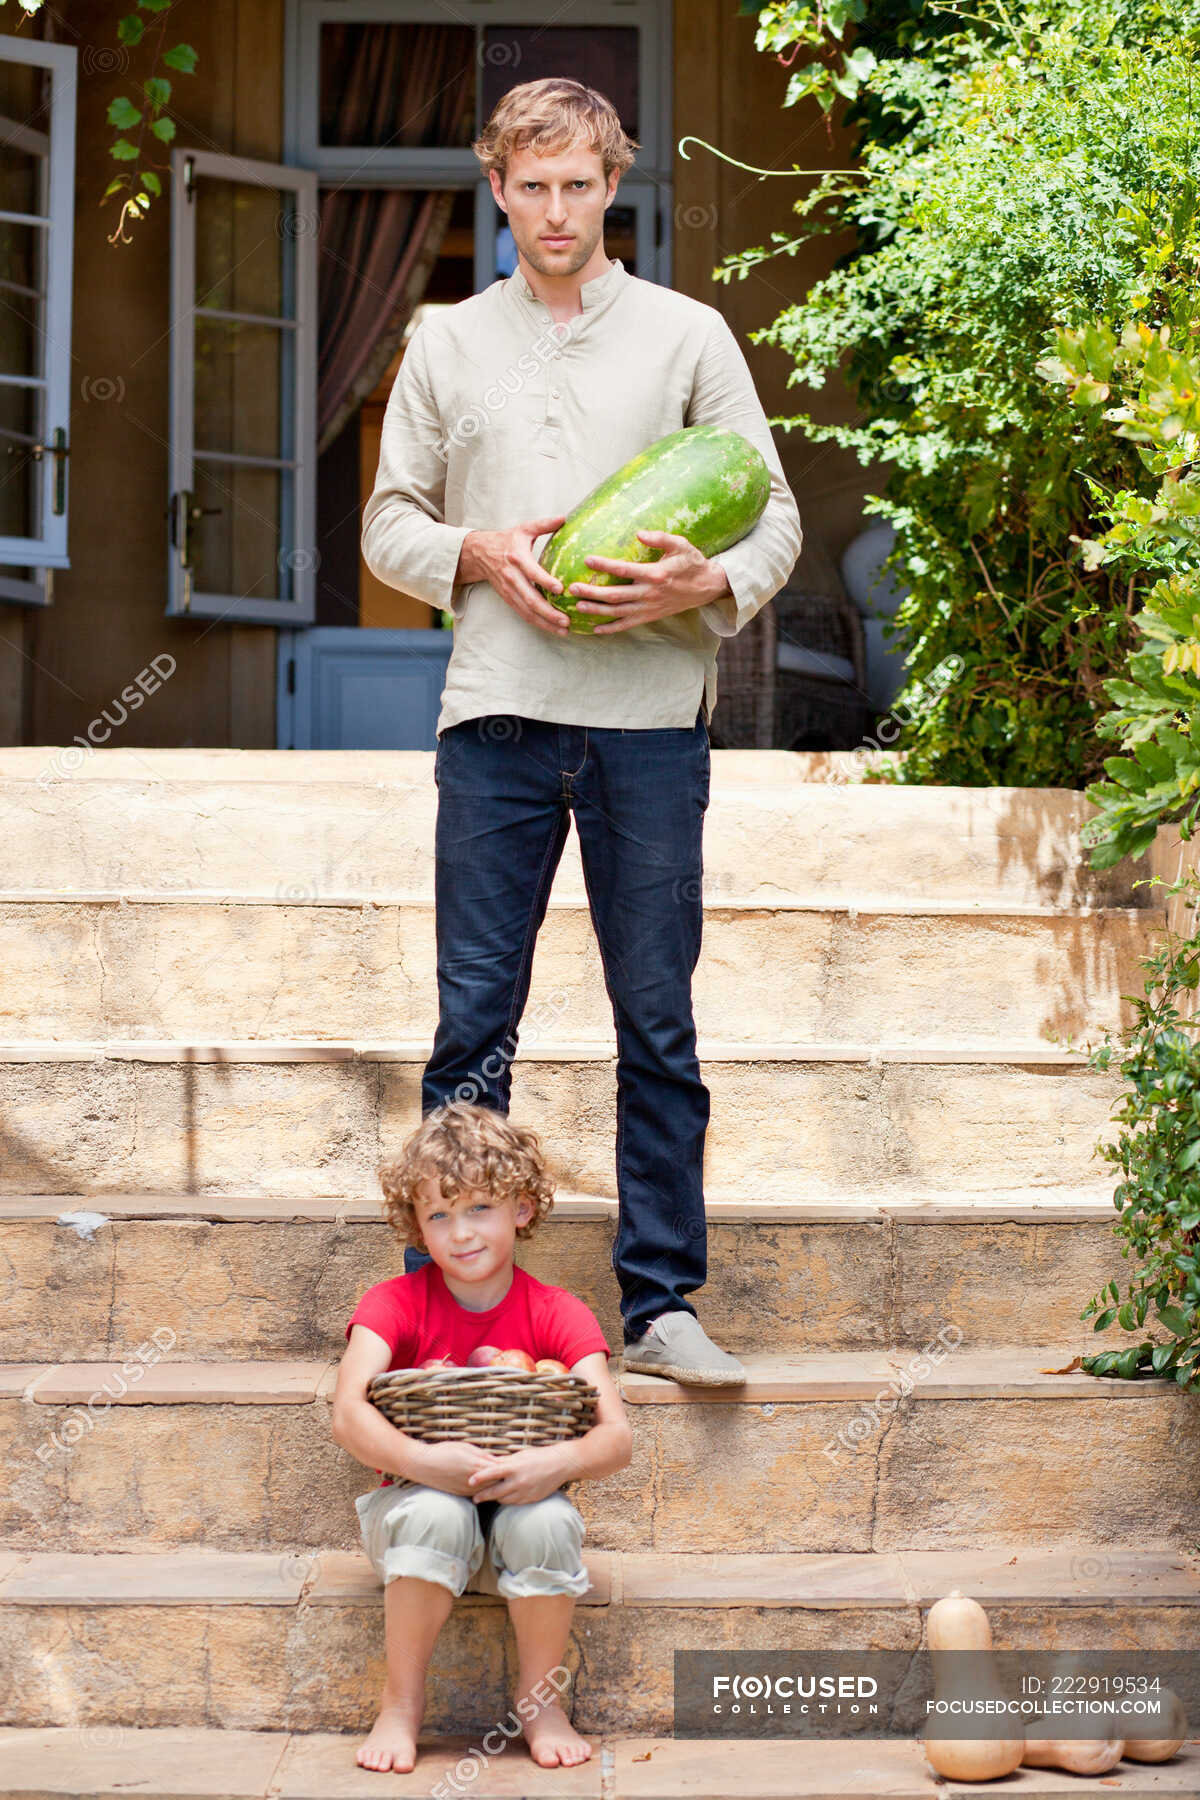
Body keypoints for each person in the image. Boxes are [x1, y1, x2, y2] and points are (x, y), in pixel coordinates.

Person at [361, 77, 804, 1385]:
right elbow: (389, 526)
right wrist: (479, 552)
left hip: (651, 725)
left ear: (615, 186)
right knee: (471, 1035)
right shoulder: (444, 340)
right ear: (498, 190)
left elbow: (769, 513)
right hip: (494, 721)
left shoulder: (687, 336)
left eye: (579, 185)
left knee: (656, 1024)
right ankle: (444, 1316)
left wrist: (704, 583)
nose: (555, 211)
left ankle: (661, 1303)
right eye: (530, 186)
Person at [333, 1101, 632, 1774]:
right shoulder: (395, 1302)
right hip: (415, 1523)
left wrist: (555, 1462)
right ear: (416, 1223)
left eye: (479, 1210)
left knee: (549, 1520)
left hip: (513, 1530)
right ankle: (402, 1704)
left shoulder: (557, 1311)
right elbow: (348, 1413)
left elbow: (616, 1439)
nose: (460, 1233)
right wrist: (423, 1462)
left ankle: (540, 1701)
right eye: (438, 1215)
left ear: (521, 1209)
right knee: (438, 1511)